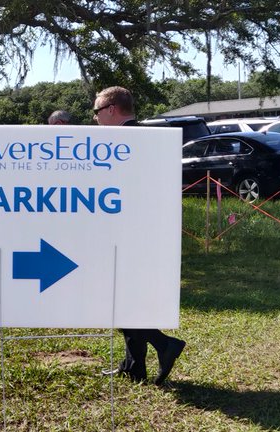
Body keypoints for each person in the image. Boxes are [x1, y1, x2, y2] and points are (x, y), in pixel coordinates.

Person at [93, 86, 186, 384]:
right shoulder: (152, 139)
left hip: (127, 233)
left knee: (120, 301)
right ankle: (134, 366)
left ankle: (164, 344)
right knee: (126, 299)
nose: (95, 119)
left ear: (110, 109)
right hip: (148, 233)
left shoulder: (122, 142)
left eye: (96, 112)